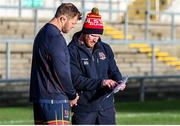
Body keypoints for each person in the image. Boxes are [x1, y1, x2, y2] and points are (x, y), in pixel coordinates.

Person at [68, 7, 126, 125]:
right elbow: (75, 80)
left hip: (107, 108)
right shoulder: (71, 50)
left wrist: (120, 81)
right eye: (93, 35)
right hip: (84, 109)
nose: (95, 39)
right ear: (85, 32)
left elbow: (113, 70)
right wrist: (101, 83)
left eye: (98, 36)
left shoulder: (105, 48)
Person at [29, 3, 81, 125]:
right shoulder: (56, 37)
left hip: (40, 98)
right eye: (72, 23)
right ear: (63, 19)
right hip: (55, 100)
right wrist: (72, 94)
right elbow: (62, 71)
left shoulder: (42, 33)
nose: (73, 27)